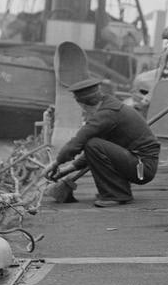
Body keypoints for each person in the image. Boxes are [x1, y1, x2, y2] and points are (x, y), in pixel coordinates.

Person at [48, 78, 160, 207]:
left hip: (142, 168)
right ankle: (116, 189)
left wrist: (55, 163)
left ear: (82, 104)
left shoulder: (106, 114)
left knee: (93, 144)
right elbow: (100, 150)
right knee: (94, 144)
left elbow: (76, 144)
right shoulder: (111, 106)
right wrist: (68, 169)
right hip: (140, 164)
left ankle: (116, 194)